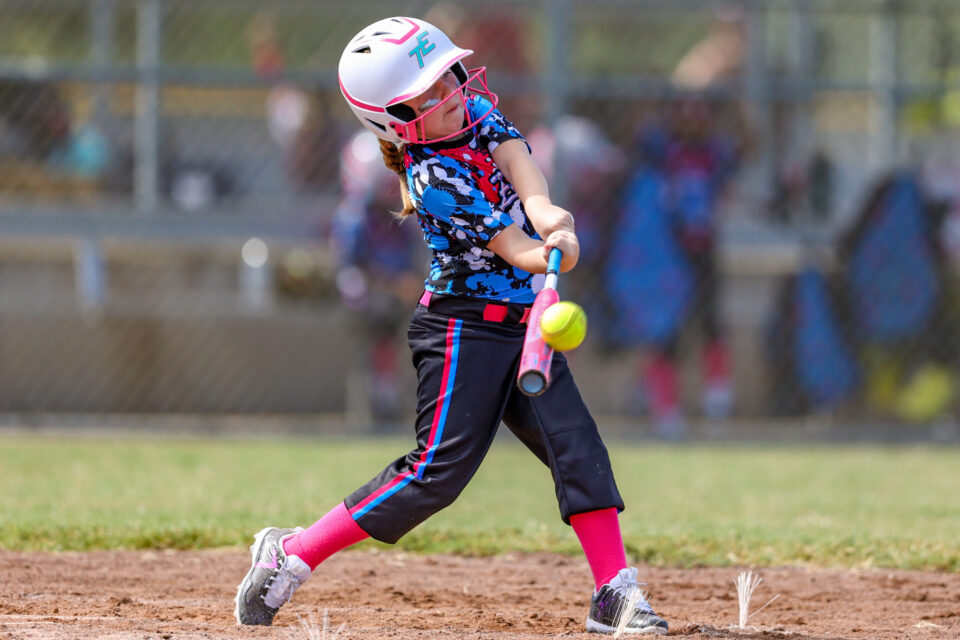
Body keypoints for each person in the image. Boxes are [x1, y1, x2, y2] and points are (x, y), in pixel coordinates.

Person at [234, 16, 668, 636]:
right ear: (395, 121)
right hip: (462, 332)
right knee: (436, 475)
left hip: (524, 326)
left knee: (579, 451)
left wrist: (546, 208)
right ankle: (294, 552)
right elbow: (511, 245)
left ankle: (614, 593)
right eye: (429, 94)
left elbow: (516, 154)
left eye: (449, 78)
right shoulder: (431, 177)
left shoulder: (474, 115)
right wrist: (548, 249)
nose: (450, 95)